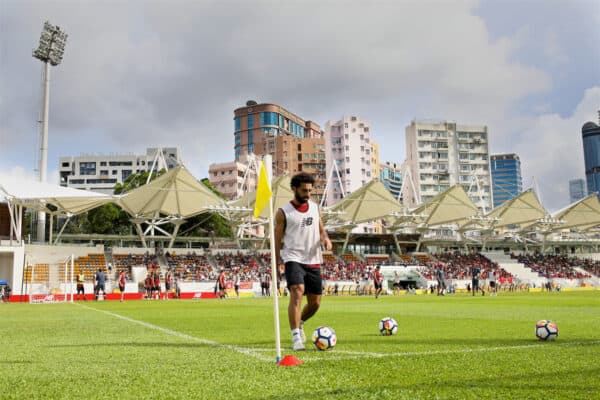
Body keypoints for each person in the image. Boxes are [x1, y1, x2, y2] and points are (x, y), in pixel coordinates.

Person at [274, 172, 332, 351]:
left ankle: (300, 323)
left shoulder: (315, 208)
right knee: (297, 291)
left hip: (313, 259)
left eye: (310, 190)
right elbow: (276, 239)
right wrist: (276, 263)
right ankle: (296, 338)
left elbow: (321, 230)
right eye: (304, 190)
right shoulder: (283, 212)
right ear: (294, 189)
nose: (308, 194)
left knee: (315, 303)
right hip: (293, 258)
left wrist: (326, 240)